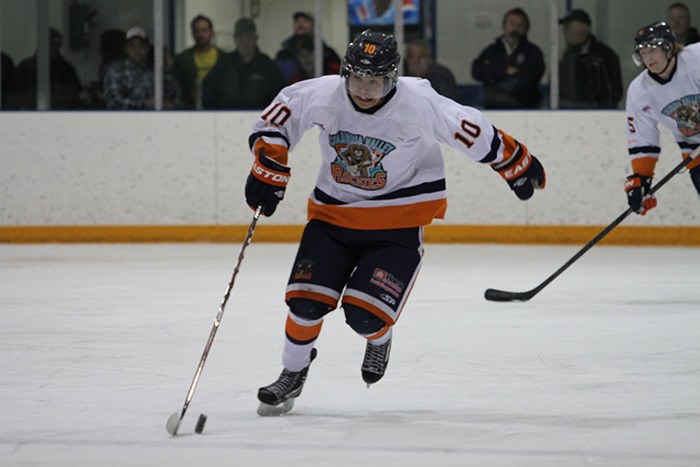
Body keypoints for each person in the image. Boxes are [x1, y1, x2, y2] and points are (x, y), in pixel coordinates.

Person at [244, 30, 546, 415]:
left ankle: (380, 338)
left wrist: (513, 160)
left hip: (397, 223)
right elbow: (277, 119)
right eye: (357, 78)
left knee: (365, 316)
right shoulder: (322, 94)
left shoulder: (418, 101)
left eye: (376, 81)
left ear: (392, 78)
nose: (365, 90)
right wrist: (268, 165)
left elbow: (470, 128)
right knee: (304, 303)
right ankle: (292, 372)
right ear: (345, 73)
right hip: (333, 215)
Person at [623, 21, 700, 216]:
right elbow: (642, 141)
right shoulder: (639, 91)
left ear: (669, 48)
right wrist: (641, 180)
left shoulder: (696, 59)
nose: (648, 58)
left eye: (652, 50)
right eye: (643, 53)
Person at [201, 18, 285, 109]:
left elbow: (279, 98)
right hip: (226, 117)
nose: (245, 41)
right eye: (241, 36)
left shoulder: (268, 66)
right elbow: (208, 93)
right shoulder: (224, 64)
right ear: (235, 39)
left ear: (255, 38)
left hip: (259, 119)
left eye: (249, 36)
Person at [471, 7, 545, 109]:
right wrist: (505, 70)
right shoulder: (492, 50)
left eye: (520, 25)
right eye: (512, 24)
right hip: (493, 106)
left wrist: (494, 76)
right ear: (504, 26)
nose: (515, 29)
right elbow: (477, 71)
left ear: (526, 28)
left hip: (525, 108)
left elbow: (530, 78)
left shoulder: (533, 52)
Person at [103, 27, 181, 110]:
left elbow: (177, 94)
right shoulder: (116, 71)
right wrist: (146, 104)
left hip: (156, 120)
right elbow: (114, 103)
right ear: (125, 49)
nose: (137, 50)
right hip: (125, 121)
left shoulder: (158, 71)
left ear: (147, 49)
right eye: (132, 46)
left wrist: (170, 104)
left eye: (141, 45)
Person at [558, 9, 622, 109]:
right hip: (567, 113)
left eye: (569, 27)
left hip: (594, 114)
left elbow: (613, 91)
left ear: (583, 29)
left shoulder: (603, 55)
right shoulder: (566, 55)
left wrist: (603, 112)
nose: (565, 31)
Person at [12, 28, 84, 109]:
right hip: (31, 114)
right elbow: (15, 95)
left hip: (62, 114)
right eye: (52, 44)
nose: (55, 48)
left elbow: (75, 92)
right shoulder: (26, 68)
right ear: (43, 45)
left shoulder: (67, 69)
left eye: (57, 44)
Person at [172, 15, 225, 109]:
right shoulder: (182, 59)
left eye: (204, 30)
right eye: (197, 31)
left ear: (212, 32)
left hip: (219, 109)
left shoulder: (224, 58)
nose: (200, 34)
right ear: (192, 33)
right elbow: (176, 89)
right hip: (190, 109)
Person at [274, 11, 341, 85]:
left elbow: (336, 78)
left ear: (313, 26)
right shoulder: (284, 55)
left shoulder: (327, 53)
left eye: (305, 21)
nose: (300, 24)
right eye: (297, 21)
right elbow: (278, 80)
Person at [84, 29, 127, 109]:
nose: (100, 49)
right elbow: (97, 81)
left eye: (103, 45)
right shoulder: (105, 64)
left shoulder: (122, 66)